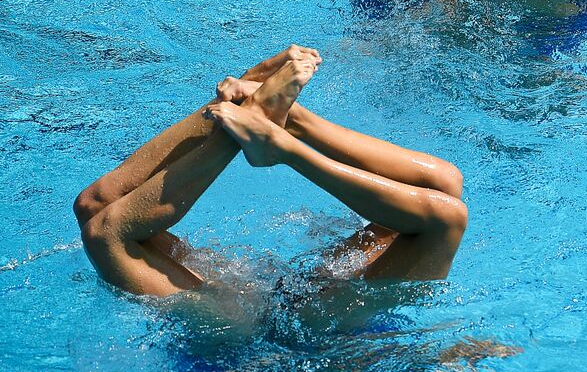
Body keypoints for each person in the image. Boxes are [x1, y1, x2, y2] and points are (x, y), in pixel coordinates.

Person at [73, 46, 470, 297]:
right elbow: (442, 192)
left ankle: (270, 129)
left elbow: (106, 230)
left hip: (265, 344)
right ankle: (284, 121)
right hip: (298, 326)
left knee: (103, 226)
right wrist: (263, 99)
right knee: (444, 190)